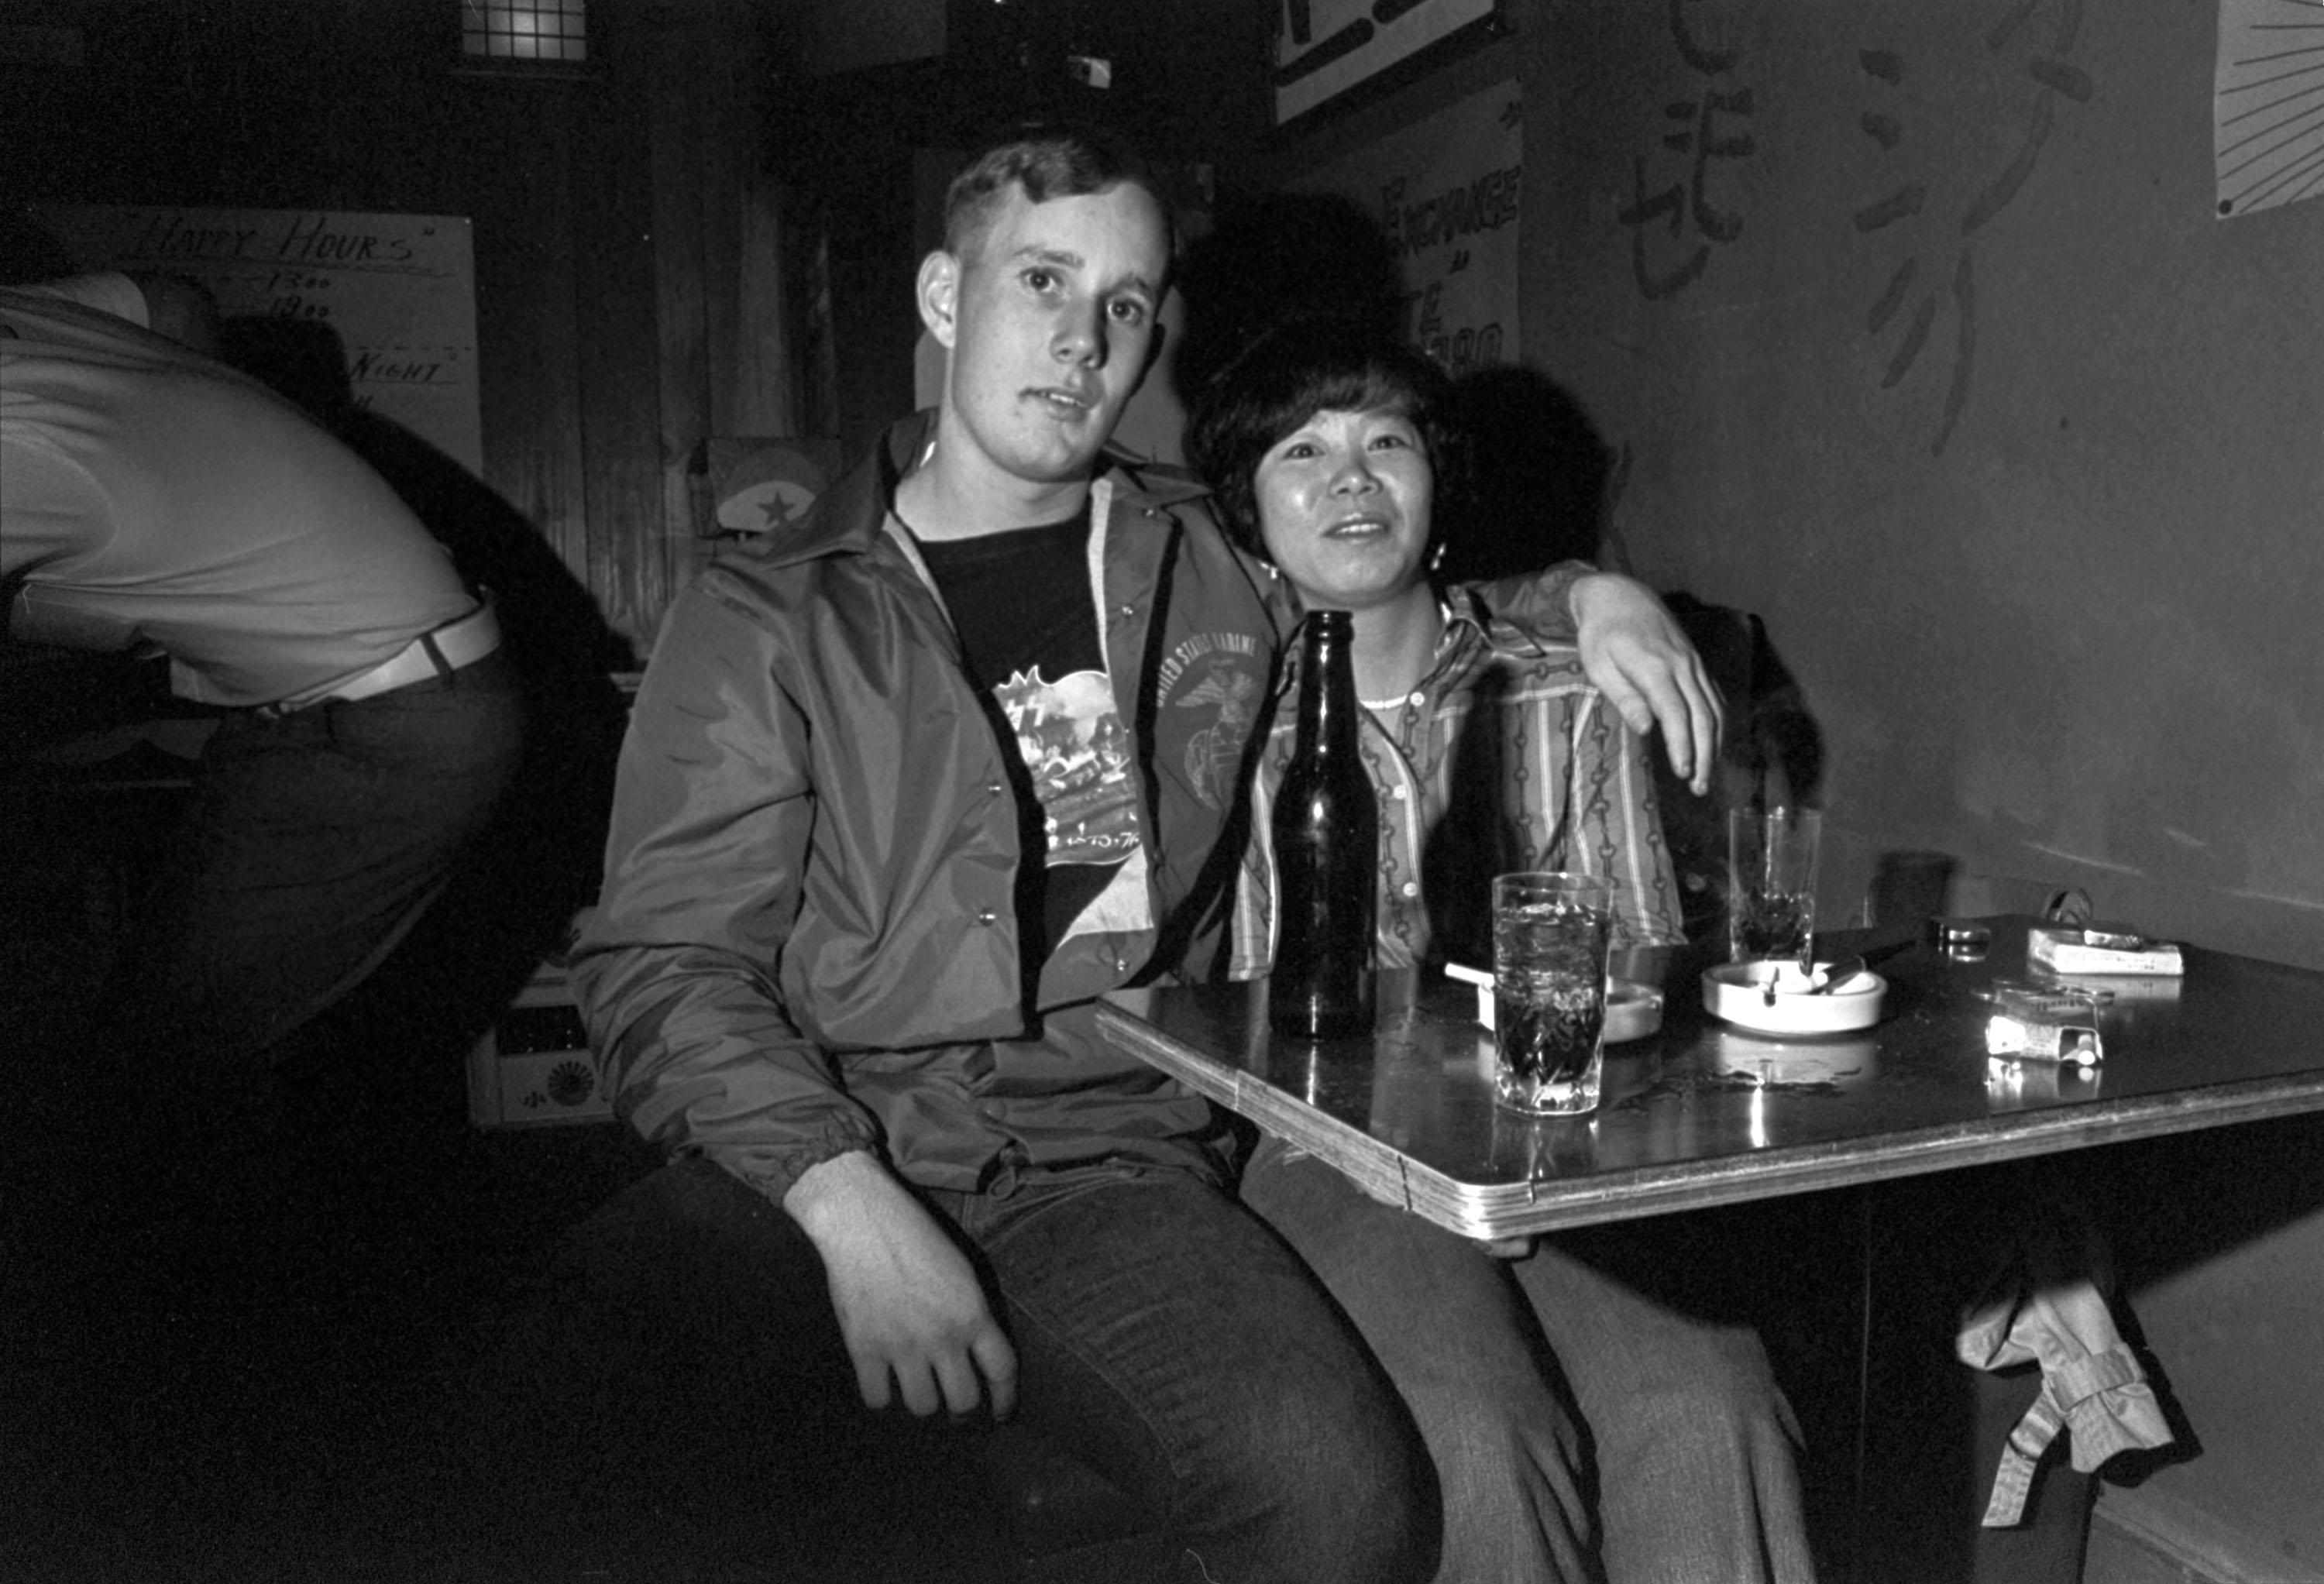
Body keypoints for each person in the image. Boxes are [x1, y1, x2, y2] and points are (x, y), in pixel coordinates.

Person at [547, 125, 1724, 1580]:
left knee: (1335, 1496)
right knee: (547, 1429)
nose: (1080, 339)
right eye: (1041, 281)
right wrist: (846, 1203)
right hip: (812, 1131)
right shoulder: (773, 615)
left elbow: (1389, 575)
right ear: (943, 298)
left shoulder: (1207, 562)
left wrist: (1590, 593)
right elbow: (663, 965)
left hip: (1106, 1158)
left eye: (1123, 303)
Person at [1185, 314, 1816, 1583]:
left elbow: (1634, 982)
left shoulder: (1569, 688)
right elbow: (1234, 1032)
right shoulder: (1215, 716)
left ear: (1436, 481)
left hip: (1555, 1147)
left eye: (1386, 442)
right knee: (1476, 1432)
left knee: (1711, 1407)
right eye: (1302, 451)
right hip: (1322, 1155)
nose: (1352, 479)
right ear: (1247, 512)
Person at [0, 271, 524, 1130]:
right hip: (342, 702)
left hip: (388, 716)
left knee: (167, 1066)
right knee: (167, 1040)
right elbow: (174, 302)